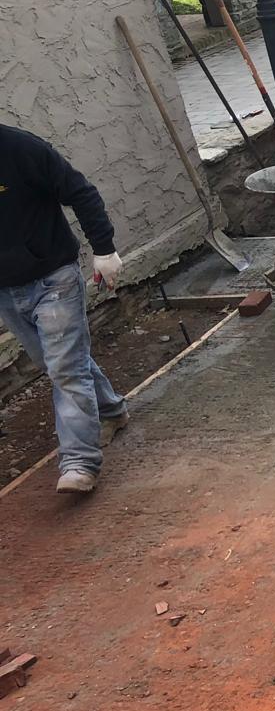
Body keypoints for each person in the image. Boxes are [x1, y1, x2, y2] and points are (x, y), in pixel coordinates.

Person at [0, 124, 128, 494]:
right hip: (6, 289)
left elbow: (80, 191)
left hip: (53, 278)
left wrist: (104, 249)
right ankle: (112, 410)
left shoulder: (19, 148)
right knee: (56, 362)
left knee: (65, 370)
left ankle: (79, 462)